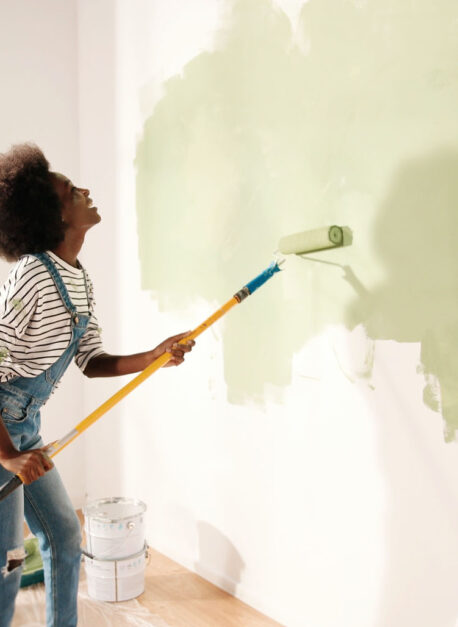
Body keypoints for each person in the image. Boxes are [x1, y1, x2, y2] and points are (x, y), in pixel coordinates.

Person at [0, 143, 195, 627]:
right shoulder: (30, 278)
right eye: (71, 190)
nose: (85, 191)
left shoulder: (78, 279)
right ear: (54, 213)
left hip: (25, 427)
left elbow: (90, 359)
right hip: (1, 434)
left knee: (65, 537)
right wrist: (7, 455)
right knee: (8, 562)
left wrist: (153, 356)